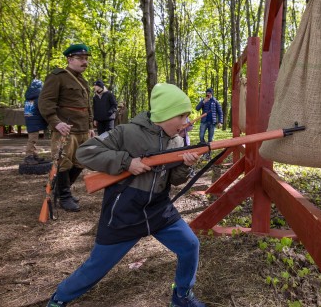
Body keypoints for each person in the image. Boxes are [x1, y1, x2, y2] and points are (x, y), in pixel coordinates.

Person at [46, 83, 205, 307]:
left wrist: (186, 165)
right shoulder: (126, 132)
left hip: (158, 209)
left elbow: (175, 180)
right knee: (97, 266)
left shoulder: (178, 140)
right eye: (182, 116)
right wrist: (127, 162)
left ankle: (181, 295)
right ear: (166, 114)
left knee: (190, 245)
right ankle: (59, 298)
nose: (186, 122)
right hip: (125, 210)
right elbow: (86, 152)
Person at [38, 43, 95, 212]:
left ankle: (62, 191)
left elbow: (86, 106)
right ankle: (63, 196)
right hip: (66, 129)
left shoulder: (82, 80)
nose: (84, 62)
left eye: (86, 58)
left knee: (80, 162)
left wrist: (90, 126)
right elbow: (45, 102)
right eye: (80, 58)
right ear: (70, 59)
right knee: (63, 162)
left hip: (82, 129)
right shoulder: (58, 76)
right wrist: (56, 122)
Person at [23, 79, 49, 164]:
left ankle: (34, 155)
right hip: (34, 121)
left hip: (30, 120)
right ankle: (29, 156)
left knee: (33, 139)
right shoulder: (38, 98)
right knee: (32, 140)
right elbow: (42, 109)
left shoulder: (28, 98)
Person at [195, 88, 223, 159]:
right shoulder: (203, 101)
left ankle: (208, 154)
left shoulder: (215, 101)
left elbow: (220, 113)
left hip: (212, 123)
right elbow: (197, 108)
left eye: (209, 93)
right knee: (201, 136)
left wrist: (220, 122)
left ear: (212, 93)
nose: (208, 94)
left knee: (210, 139)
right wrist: (203, 102)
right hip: (204, 122)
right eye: (207, 92)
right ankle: (204, 150)